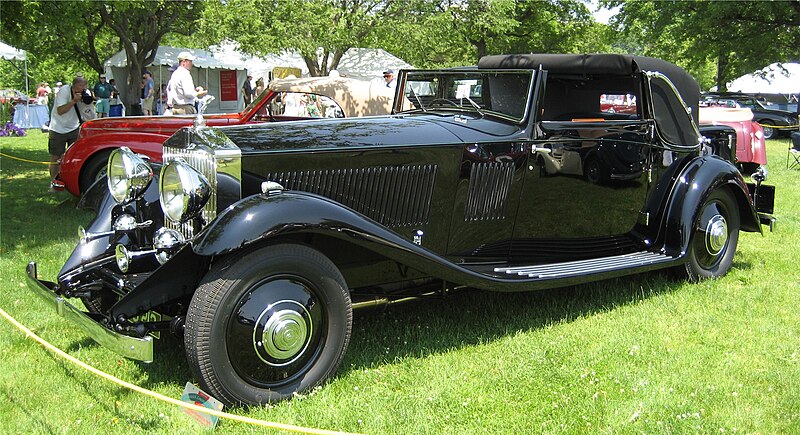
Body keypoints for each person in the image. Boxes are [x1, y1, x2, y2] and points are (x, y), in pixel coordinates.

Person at [47, 75, 95, 191]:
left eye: (84, 86)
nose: (82, 89)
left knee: (74, 156)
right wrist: (74, 101)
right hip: (58, 127)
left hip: (73, 127)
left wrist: (88, 102)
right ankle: (54, 183)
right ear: (74, 85)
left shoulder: (85, 93)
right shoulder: (64, 91)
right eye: (80, 86)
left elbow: (89, 114)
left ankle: (72, 182)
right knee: (56, 156)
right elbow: (60, 111)